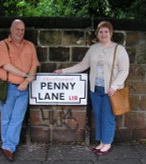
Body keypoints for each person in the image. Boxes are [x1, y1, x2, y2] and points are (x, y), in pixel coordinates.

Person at [54, 21, 129, 156]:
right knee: (99, 116)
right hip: (95, 89)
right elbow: (83, 65)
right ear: (97, 34)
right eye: (101, 32)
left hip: (110, 90)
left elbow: (124, 70)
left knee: (107, 117)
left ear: (111, 33)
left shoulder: (119, 49)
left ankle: (107, 143)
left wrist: (114, 86)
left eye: (106, 31)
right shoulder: (93, 49)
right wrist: (64, 71)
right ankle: (101, 141)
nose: (103, 34)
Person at [0, 19, 40, 161]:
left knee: (17, 119)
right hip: (7, 87)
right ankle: (7, 145)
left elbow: (34, 65)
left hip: (23, 88)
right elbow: (6, 65)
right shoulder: (3, 45)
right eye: (17, 29)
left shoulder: (30, 46)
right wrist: (24, 75)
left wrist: (26, 81)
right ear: (11, 29)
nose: (20, 32)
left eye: (22, 29)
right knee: (6, 118)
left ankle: (8, 146)